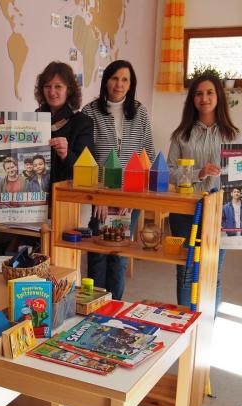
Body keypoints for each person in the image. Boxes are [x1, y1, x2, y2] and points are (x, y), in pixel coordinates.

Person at [167, 73, 242, 312]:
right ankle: (184, 326)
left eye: (210, 92)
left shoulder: (233, 135)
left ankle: (207, 326)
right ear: (192, 99)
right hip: (185, 211)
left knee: (213, 272)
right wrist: (197, 174)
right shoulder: (182, 134)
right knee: (186, 271)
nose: (204, 98)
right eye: (199, 93)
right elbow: (169, 172)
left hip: (220, 214)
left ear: (219, 96)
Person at [81, 60, 155, 300]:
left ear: (131, 84)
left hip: (129, 197)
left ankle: (114, 308)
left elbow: (148, 155)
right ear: (106, 81)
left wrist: (132, 197)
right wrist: (98, 196)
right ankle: (93, 307)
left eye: (125, 80)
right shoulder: (89, 112)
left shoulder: (140, 112)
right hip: (99, 196)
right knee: (98, 253)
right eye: (114, 78)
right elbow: (86, 156)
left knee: (119, 257)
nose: (119, 84)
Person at [33, 61, 94, 198]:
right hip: (36, 200)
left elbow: (86, 172)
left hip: (67, 200)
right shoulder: (35, 119)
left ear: (69, 90)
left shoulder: (82, 123)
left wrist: (67, 155)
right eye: (47, 86)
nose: (52, 92)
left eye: (58, 86)